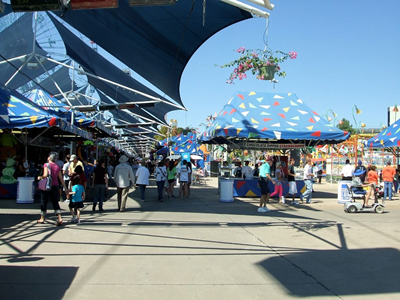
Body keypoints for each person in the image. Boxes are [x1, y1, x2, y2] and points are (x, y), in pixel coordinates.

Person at [37, 152, 68, 226]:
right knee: (55, 202)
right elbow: (60, 178)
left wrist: (40, 177)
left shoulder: (46, 165)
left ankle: (42, 218)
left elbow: (45, 175)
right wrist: (65, 188)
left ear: (49, 158)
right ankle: (59, 218)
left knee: (44, 201)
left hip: (47, 186)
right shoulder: (57, 166)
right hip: (55, 186)